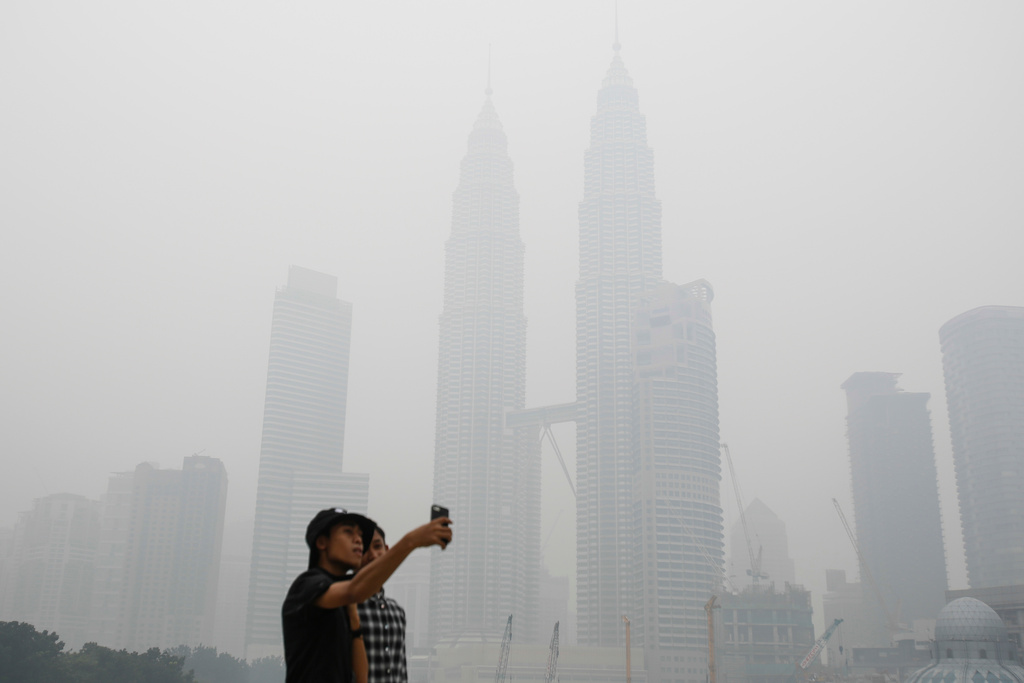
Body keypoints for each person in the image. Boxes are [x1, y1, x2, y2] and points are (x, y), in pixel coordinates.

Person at [282, 508, 452, 683]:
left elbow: (361, 678)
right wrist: (411, 541)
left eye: (360, 535)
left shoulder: (347, 603)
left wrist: (354, 623)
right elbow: (354, 590)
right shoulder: (306, 586)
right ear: (322, 542)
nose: (358, 540)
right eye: (348, 532)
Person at [357, 526, 409, 683]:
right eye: (365, 549)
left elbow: (401, 671)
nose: (373, 555)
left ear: (387, 550)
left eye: (377, 546)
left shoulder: (397, 612)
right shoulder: (344, 607)